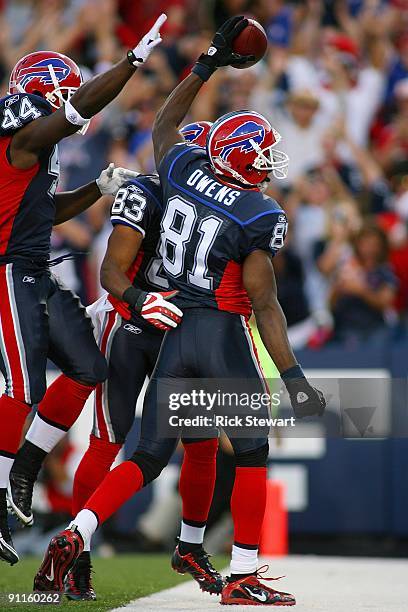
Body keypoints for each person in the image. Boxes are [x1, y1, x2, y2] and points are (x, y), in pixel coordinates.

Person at [34, 16, 325, 606]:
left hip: (173, 333)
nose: (270, 167)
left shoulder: (180, 169)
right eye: (264, 158)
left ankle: (78, 530)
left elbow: (167, 123)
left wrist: (205, 65)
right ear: (244, 162)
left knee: (149, 451)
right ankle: (243, 573)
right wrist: (292, 375)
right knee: (252, 450)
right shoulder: (258, 215)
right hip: (218, 331)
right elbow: (264, 302)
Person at [10, 122, 215, 600]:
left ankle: (187, 545)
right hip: (129, 317)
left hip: (178, 328)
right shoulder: (149, 194)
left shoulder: (216, 203)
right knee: (109, 438)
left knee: (193, 445)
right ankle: (77, 548)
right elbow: (112, 272)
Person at [0, 14, 176, 566]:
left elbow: (45, 211)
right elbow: (80, 109)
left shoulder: (38, 150)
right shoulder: (25, 137)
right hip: (6, 270)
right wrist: (130, 62)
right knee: (23, 388)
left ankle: (25, 466)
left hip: (34, 267)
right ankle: (2, 497)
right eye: (63, 93)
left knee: (88, 367)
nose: (71, 101)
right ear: (45, 97)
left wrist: (96, 191)